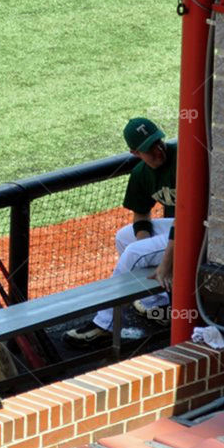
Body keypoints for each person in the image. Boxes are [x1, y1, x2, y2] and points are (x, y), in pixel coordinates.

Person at [64, 116, 176, 348]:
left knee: (134, 253)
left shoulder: (181, 159)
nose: (158, 150)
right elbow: (141, 216)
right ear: (135, 152)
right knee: (125, 238)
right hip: (180, 226)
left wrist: (165, 265)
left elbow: (188, 218)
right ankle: (157, 305)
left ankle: (104, 324)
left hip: (205, 230)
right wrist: (146, 244)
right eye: (149, 149)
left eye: (158, 142)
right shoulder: (140, 174)